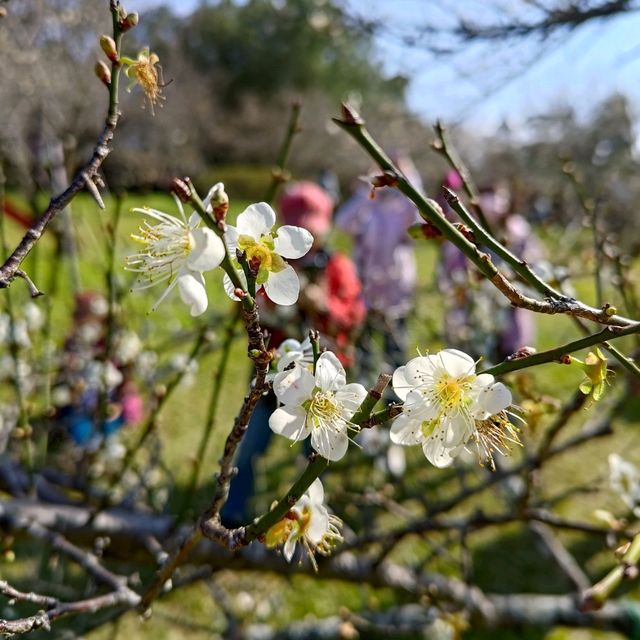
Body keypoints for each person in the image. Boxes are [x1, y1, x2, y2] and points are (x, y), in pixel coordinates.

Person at [222, 182, 366, 526]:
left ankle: (312, 516)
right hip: (274, 378)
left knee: (316, 453)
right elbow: (244, 312)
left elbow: (354, 314)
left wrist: (324, 305)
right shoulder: (263, 266)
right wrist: (259, 304)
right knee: (251, 444)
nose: (308, 244)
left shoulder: (336, 267)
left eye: (313, 233)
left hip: (322, 383)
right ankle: (232, 511)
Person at [334, 151, 422, 382]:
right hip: (365, 290)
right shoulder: (367, 208)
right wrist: (368, 188)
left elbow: (422, 221)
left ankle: (395, 401)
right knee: (365, 350)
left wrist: (409, 181)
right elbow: (342, 222)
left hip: (396, 293)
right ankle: (365, 398)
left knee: (396, 351)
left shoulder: (402, 209)